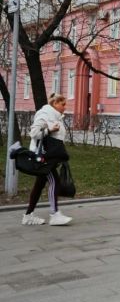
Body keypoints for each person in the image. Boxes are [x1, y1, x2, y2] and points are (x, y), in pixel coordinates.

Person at [22, 93, 73, 226]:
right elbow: (34, 133)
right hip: (43, 157)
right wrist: (48, 130)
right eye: (62, 104)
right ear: (55, 103)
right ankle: (54, 214)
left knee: (39, 185)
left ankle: (28, 216)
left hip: (50, 156)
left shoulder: (56, 117)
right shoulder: (44, 114)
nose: (65, 107)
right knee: (54, 181)